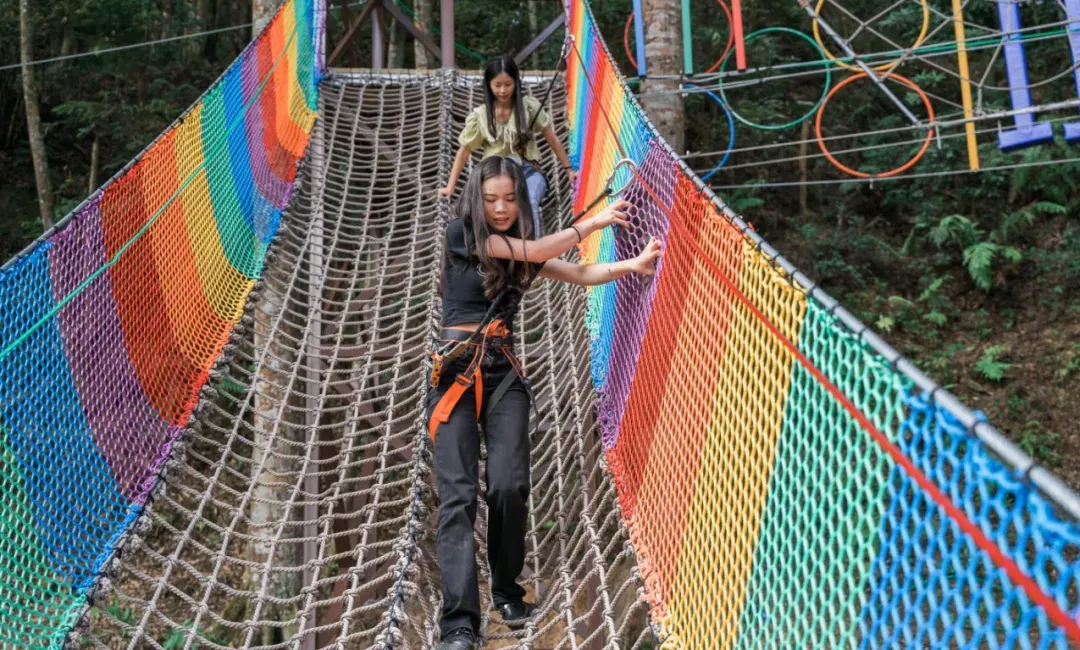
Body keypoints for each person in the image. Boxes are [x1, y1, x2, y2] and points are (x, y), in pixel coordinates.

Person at [429, 156, 661, 650]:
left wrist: (631, 265)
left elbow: (577, 272)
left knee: (509, 485)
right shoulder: (461, 234)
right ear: (476, 201)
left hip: (503, 375)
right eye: (490, 199)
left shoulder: (521, 255)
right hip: (455, 375)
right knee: (459, 497)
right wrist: (592, 223)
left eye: (510, 199)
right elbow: (536, 249)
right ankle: (459, 624)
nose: (500, 208)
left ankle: (507, 593)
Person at [437, 56, 577, 236]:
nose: (502, 90)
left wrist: (568, 169)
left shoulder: (528, 107)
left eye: (508, 84)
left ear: (516, 83)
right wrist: (450, 187)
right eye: (497, 85)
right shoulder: (481, 116)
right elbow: (464, 152)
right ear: (489, 84)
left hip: (527, 171)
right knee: (482, 206)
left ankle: (534, 248)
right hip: (493, 174)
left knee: (528, 200)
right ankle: (490, 246)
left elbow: (552, 138)